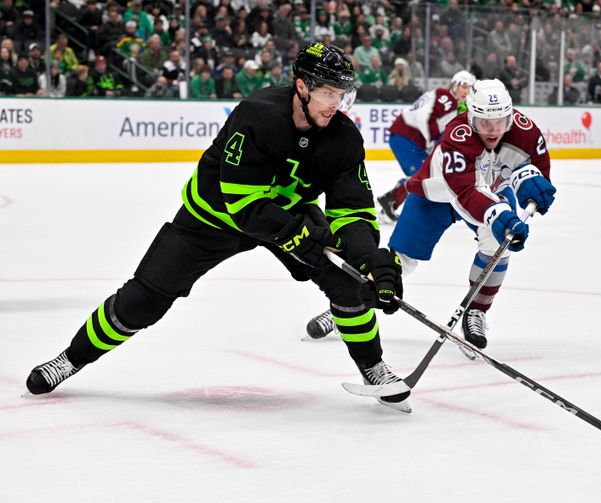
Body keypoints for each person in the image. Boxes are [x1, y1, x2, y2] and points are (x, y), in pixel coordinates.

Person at [25, 42, 410, 414]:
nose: (336, 104)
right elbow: (244, 205)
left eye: (342, 94)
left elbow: (354, 212)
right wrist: (298, 236)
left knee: (348, 280)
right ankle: (70, 359)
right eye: (328, 93)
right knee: (143, 301)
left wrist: (370, 259)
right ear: (302, 86)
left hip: (286, 215)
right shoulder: (257, 115)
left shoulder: (343, 137)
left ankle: (373, 369)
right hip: (211, 219)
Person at [307, 79, 556, 356]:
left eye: (500, 121)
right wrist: (498, 214)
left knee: (498, 246)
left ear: (511, 115)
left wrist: (531, 183)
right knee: (400, 257)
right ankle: (353, 306)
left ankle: (476, 312)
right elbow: (465, 192)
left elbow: (537, 169)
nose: (493, 130)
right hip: (437, 194)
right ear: (471, 115)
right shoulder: (458, 134)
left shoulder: (526, 132)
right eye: (485, 123)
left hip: (489, 193)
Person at [372, 70, 476, 225]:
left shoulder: (451, 104)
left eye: (469, 88)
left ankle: (390, 203)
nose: (466, 91)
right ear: (454, 84)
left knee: (424, 176)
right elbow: (425, 116)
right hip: (406, 138)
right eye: (463, 86)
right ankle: (391, 200)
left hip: (406, 139)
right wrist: (430, 143)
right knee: (423, 176)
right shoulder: (447, 97)